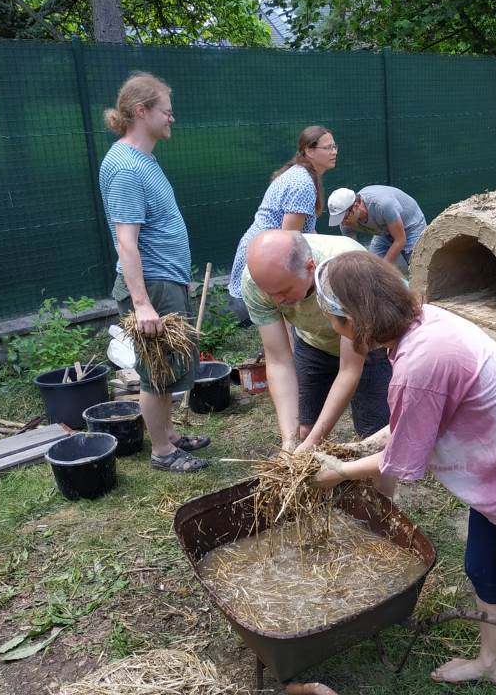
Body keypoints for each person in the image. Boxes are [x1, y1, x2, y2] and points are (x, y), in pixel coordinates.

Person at [311, 252, 496, 695]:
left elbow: (405, 463)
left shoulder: (420, 364)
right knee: (484, 571)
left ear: (355, 319)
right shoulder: (424, 321)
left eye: (335, 321)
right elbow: (419, 416)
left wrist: (340, 471)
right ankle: (492, 662)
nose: (334, 330)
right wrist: (366, 445)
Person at [99, 72, 209, 473]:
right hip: (153, 285)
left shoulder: (142, 159)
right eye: (166, 111)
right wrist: (143, 304)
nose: (171, 119)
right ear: (141, 111)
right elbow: (125, 241)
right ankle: (163, 452)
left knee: (169, 367)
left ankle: (171, 438)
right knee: (157, 372)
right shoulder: (127, 167)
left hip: (166, 279)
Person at [241, 230, 391, 453]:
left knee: (373, 437)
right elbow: (278, 360)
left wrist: (313, 442)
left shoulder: (345, 273)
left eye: (283, 291)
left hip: (369, 346)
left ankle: (381, 489)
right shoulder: (255, 282)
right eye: (269, 293)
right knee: (303, 429)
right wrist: (290, 442)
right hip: (313, 342)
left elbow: (349, 369)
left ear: (310, 267)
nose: (277, 301)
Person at [227, 126, 338, 325]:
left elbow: (308, 231)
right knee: (281, 317)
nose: (334, 152)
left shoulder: (301, 174)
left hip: (263, 251)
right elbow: (289, 239)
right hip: (268, 257)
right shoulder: (302, 183)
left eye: (334, 146)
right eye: (328, 147)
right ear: (309, 151)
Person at [325, 185, 427, 268]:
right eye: (338, 218)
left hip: (411, 225)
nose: (342, 223)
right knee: (371, 267)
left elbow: (400, 240)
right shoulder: (346, 222)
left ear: (356, 207)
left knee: (418, 266)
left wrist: (382, 268)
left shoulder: (383, 205)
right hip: (383, 231)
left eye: (344, 217)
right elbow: (353, 250)